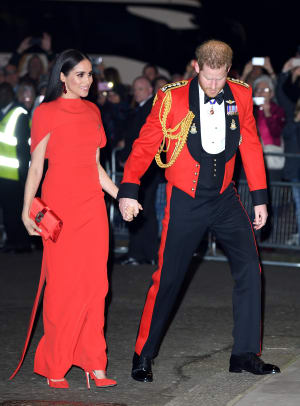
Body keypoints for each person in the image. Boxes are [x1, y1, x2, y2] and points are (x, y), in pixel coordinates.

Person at [118, 40, 280, 382]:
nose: (214, 86)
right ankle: (143, 354)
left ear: (229, 71)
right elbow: (147, 143)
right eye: (208, 79)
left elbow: (250, 144)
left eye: (220, 79)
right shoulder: (171, 97)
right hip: (186, 200)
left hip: (225, 198)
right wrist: (129, 188)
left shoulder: (242, 94)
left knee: (251, 268)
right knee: (168, 279)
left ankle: (245, 354)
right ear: (196, 67)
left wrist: (261, 197)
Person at [10, 49, 119, 389]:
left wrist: (122, 195)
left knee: (97, 286)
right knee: (62, 287)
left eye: (90, 75)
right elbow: (36, 167)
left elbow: (96, 166)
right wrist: (28, 209)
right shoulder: (45, 112)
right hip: (60, 209)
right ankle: (54, 364)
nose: (89, 81)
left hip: (92, 208)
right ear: (62, 77)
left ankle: (93, 363)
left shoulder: (93, 111)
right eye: (81, 75)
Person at [118, 76, 161, 266]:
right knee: (144, 209)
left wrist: (126, 157)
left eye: (141, 88)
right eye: (135, 89)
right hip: (146, 167)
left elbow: (140, 140)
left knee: (141, 209)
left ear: (150, 89)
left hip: (145, 167)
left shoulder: (149, 108)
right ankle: (144, 253)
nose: (137, 92)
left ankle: (140, 253)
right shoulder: (142, 108)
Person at [0, 82, 31, 253]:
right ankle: (13, 241)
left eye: (3, 93)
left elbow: (22, 147)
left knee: (15, 210)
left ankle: (21, 243)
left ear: (10, 95)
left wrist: (23, 175)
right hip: (4, 174)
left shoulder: (18, 114)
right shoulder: (3, 114)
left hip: (15, 173)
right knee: (8, 211)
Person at [253, 74, 285, 181]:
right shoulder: (250, 109)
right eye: (258, 89)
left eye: (265, 89)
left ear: (271, 94)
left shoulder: (277, 110)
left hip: (271, 158)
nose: (261, 92)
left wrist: (267, 113)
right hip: (252, 158)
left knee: (272, 190)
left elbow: (276, 132)